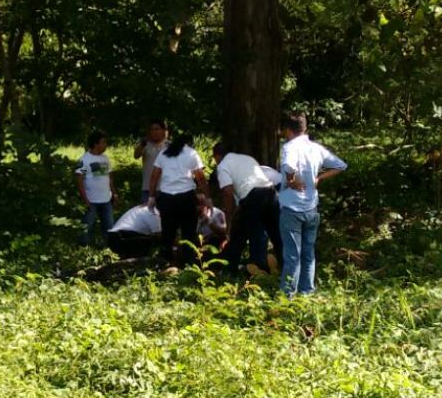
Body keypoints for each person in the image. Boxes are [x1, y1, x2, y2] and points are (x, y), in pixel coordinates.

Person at [278, 113, 348, 297]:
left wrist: (291, 181)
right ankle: (307, 292)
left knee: (292, 256)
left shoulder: (289, 147)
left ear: (287, 130)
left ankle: (287, 297)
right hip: (311, 208)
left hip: (292, 208)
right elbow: (340, 165)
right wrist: (318, 178)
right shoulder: (316, 148)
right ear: (305, 128)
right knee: (308, 254)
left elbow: (289, 166)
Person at [213, 143, 283, 276]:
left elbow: (228, 193)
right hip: (271, 193)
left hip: (253, 197)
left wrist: (229, 224)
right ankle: (285, 270)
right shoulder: (247, 158)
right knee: (277, 237)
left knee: (238, 237)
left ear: (217, 156)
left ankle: (229, 272)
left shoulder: (223, 166)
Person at [147, 134, 206, 267]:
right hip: (186, 197)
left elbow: (154, 176)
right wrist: (206, 196)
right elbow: (201, 177)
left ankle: (165, 263)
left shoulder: (164, 153)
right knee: (189, 232)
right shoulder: (191, 153)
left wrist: (151, 197)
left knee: (168, 232)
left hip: (167, 198)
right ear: (189, 143)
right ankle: (189, 263)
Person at [76, 130, 116, 246]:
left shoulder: (105, 158)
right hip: (91, 200)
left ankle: (109, 246)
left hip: (106, 199)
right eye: (103, 142)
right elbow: (79, 180)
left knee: (109, 226)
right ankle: (83, 247)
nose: (105, 145)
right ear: (95, 144)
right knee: (87, 225)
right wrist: (85, 199)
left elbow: (110, 178)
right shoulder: (85, 160)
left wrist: (114, 193)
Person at [133, 119, 169, 203]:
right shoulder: (145, 145)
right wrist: (143, 144)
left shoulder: (169, 146)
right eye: (152, 129)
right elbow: (136, 155)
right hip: (147, 188)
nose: (154, 132)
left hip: (165, 188)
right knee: (146, 214)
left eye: (157, 129)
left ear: (163, 131)